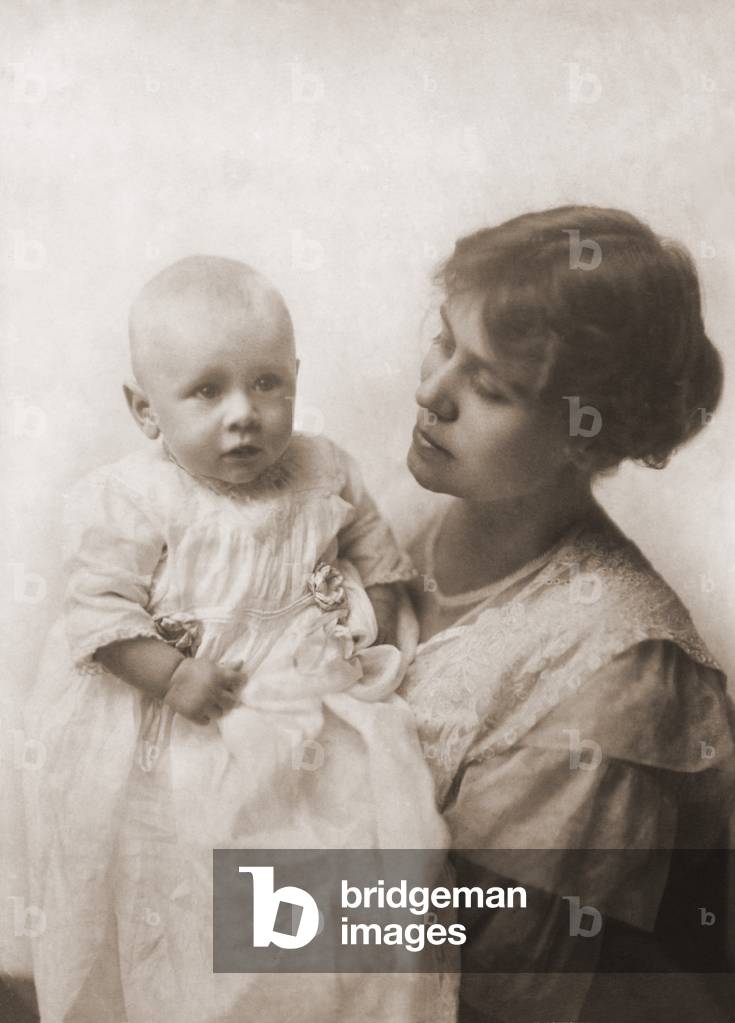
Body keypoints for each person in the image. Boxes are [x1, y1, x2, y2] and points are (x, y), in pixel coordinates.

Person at [22, 255, 449, 1023]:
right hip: (186, 724)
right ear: (147, 410)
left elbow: (369, 541)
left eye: (266, 383)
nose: (243, 412)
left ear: (294, 377)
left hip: (308, 722)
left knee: (322, 873)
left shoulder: (321, 465)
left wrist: (375, 607)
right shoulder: (133, 498)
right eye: (207, 390)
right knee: (183, 890)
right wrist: (170, 673)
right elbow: (99, 614)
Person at [394, 205, 735, 1022]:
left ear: (587, 432)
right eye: (444, 342)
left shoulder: (616, 666)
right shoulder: (410, 525)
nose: (430, 392)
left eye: (488, 387)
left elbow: (502, 984)